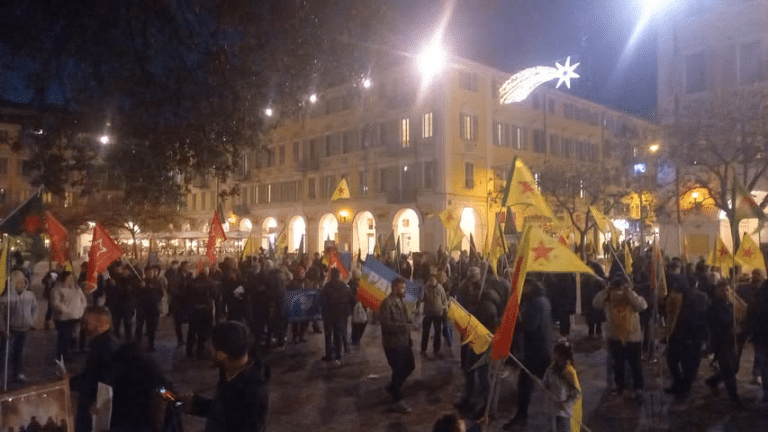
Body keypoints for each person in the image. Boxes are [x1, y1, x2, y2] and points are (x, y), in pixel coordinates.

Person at [183, 321, 270, 432]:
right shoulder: (228, 371)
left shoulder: (253, 392)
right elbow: (227, 411)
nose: (208, 349)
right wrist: (195, 403)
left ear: (222, 355)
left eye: (211, 346)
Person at [503, 279, 552, 430]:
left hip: (535, 351)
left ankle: (522, 416)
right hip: (541, 349)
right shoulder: (543, 299)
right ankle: (525, 415)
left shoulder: (535, 303)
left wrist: (517, 319)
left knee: (525, 385)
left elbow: (529, 326)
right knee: (536, 385)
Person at [592, 274, 647, 403]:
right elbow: (596, 303)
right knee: (622, 365)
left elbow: (642, 306)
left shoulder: (630, 297)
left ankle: (633, 388)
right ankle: (627, 387)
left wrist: (630, 293)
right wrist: (607, 291)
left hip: (630, 337)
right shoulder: (608, 297)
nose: (618, 293)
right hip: (619, 336)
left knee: (630, 365)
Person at [70, 306, 117, 432]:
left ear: (100, 324)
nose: (83, 325)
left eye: (87, 322)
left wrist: (98, 402)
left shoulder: (107, 346)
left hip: (92, 405)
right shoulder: (99, 343)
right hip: (88, 400)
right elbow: (91, 373)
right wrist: (70, 382)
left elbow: (107, 379)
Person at [380, 277, 415, 413]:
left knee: (410, 366)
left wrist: (409, 320)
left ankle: (393, 386)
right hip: (393, 344)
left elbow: (404, 319)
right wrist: (403, 327)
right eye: (402, 288)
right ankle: (396, 400)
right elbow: (386, 325)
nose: (404, 290)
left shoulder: (401, 300)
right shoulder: (387, 303)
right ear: (395, 289)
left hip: (404, 342)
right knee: (398, 370)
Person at [704, 280, 742, 407]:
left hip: (731, 341)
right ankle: (734, 397)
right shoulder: (713, 307)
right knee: (729, 369)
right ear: (717, 291)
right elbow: (716, 324)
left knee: (734, 367)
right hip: (720, 342)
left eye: (727, 290)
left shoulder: (730, 304)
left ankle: (713, 381)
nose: (725, 292)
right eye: (722, 290)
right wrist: (731, 324)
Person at [0, 270, 38, 383]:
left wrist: (32, 320)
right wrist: (2, 329)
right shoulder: (6, 298)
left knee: (20, 353)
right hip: (11, 330)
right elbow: (1, 315)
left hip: (25, 329)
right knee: (5, 354)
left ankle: (18, 373)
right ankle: (2, 374)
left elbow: (35, 308)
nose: (21, 284)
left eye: (22, 282)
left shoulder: (30, 295)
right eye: (18, 282)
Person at [542, 341, 582, 432]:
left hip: (563, 410)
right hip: (552, 406)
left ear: (562, 356)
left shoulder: (569, 372)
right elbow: (546, 380)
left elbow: (576, 392)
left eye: (554, 352)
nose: (552, 354)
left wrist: (566, 403)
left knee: (563, 428)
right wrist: (543, 383)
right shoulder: (551, 368)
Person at [51, 271, 87, 362]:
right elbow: (55, 303)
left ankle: (67, 354)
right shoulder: (57, 289)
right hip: (63, 319)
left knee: (71, 337)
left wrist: (80, 309)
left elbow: (83, 299)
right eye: (69, 278)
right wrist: (66, 311)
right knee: (63, 338)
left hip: (75, 317)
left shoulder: (76, 289)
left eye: (72, 278)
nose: (71, 280)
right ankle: (61, 356)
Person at [320, 268, 353, 364]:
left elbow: (321, 300)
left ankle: (329, 355)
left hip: (328, 316)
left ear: (331, 275)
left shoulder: (326, 287)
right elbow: (352, 299)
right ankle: (338, 354)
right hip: (341, 316)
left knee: (328, 336)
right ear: (339, 275)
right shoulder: (345, 287)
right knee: (338, 335)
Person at [187, 266, 216, 359]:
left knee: (192, 332)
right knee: (203, 333)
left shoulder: (192, 282)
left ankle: (189, 352)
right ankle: (200, 351)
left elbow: (188, 295)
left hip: (194, 310)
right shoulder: (210, 282)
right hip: (206, 310)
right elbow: (215, 294)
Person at [135, 266, 164, 351]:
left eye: (153, 272)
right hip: (142, 307)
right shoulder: (140, 281)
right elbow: (135, 294)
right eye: (149, 272)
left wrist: (157, 299)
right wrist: (141, 288)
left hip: (153, 307)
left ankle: (151, 344)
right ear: (146, 272)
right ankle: (137, 342)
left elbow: (160, 293)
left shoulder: (157, 282)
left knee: (151, 327)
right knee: (139, 325)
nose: (151, 273)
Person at [420, 273, 448, 356]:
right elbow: (421, 299)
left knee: (437, 331)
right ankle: (423, 348)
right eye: (430, 280)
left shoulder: (440, 289)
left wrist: (445, 312)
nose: (432, 281)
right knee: (425, 331)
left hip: (438, 313)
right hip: (428, 313)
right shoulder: (425, 288)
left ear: (436, 280)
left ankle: (436, 348)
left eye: (433, 279)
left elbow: (444, 300)